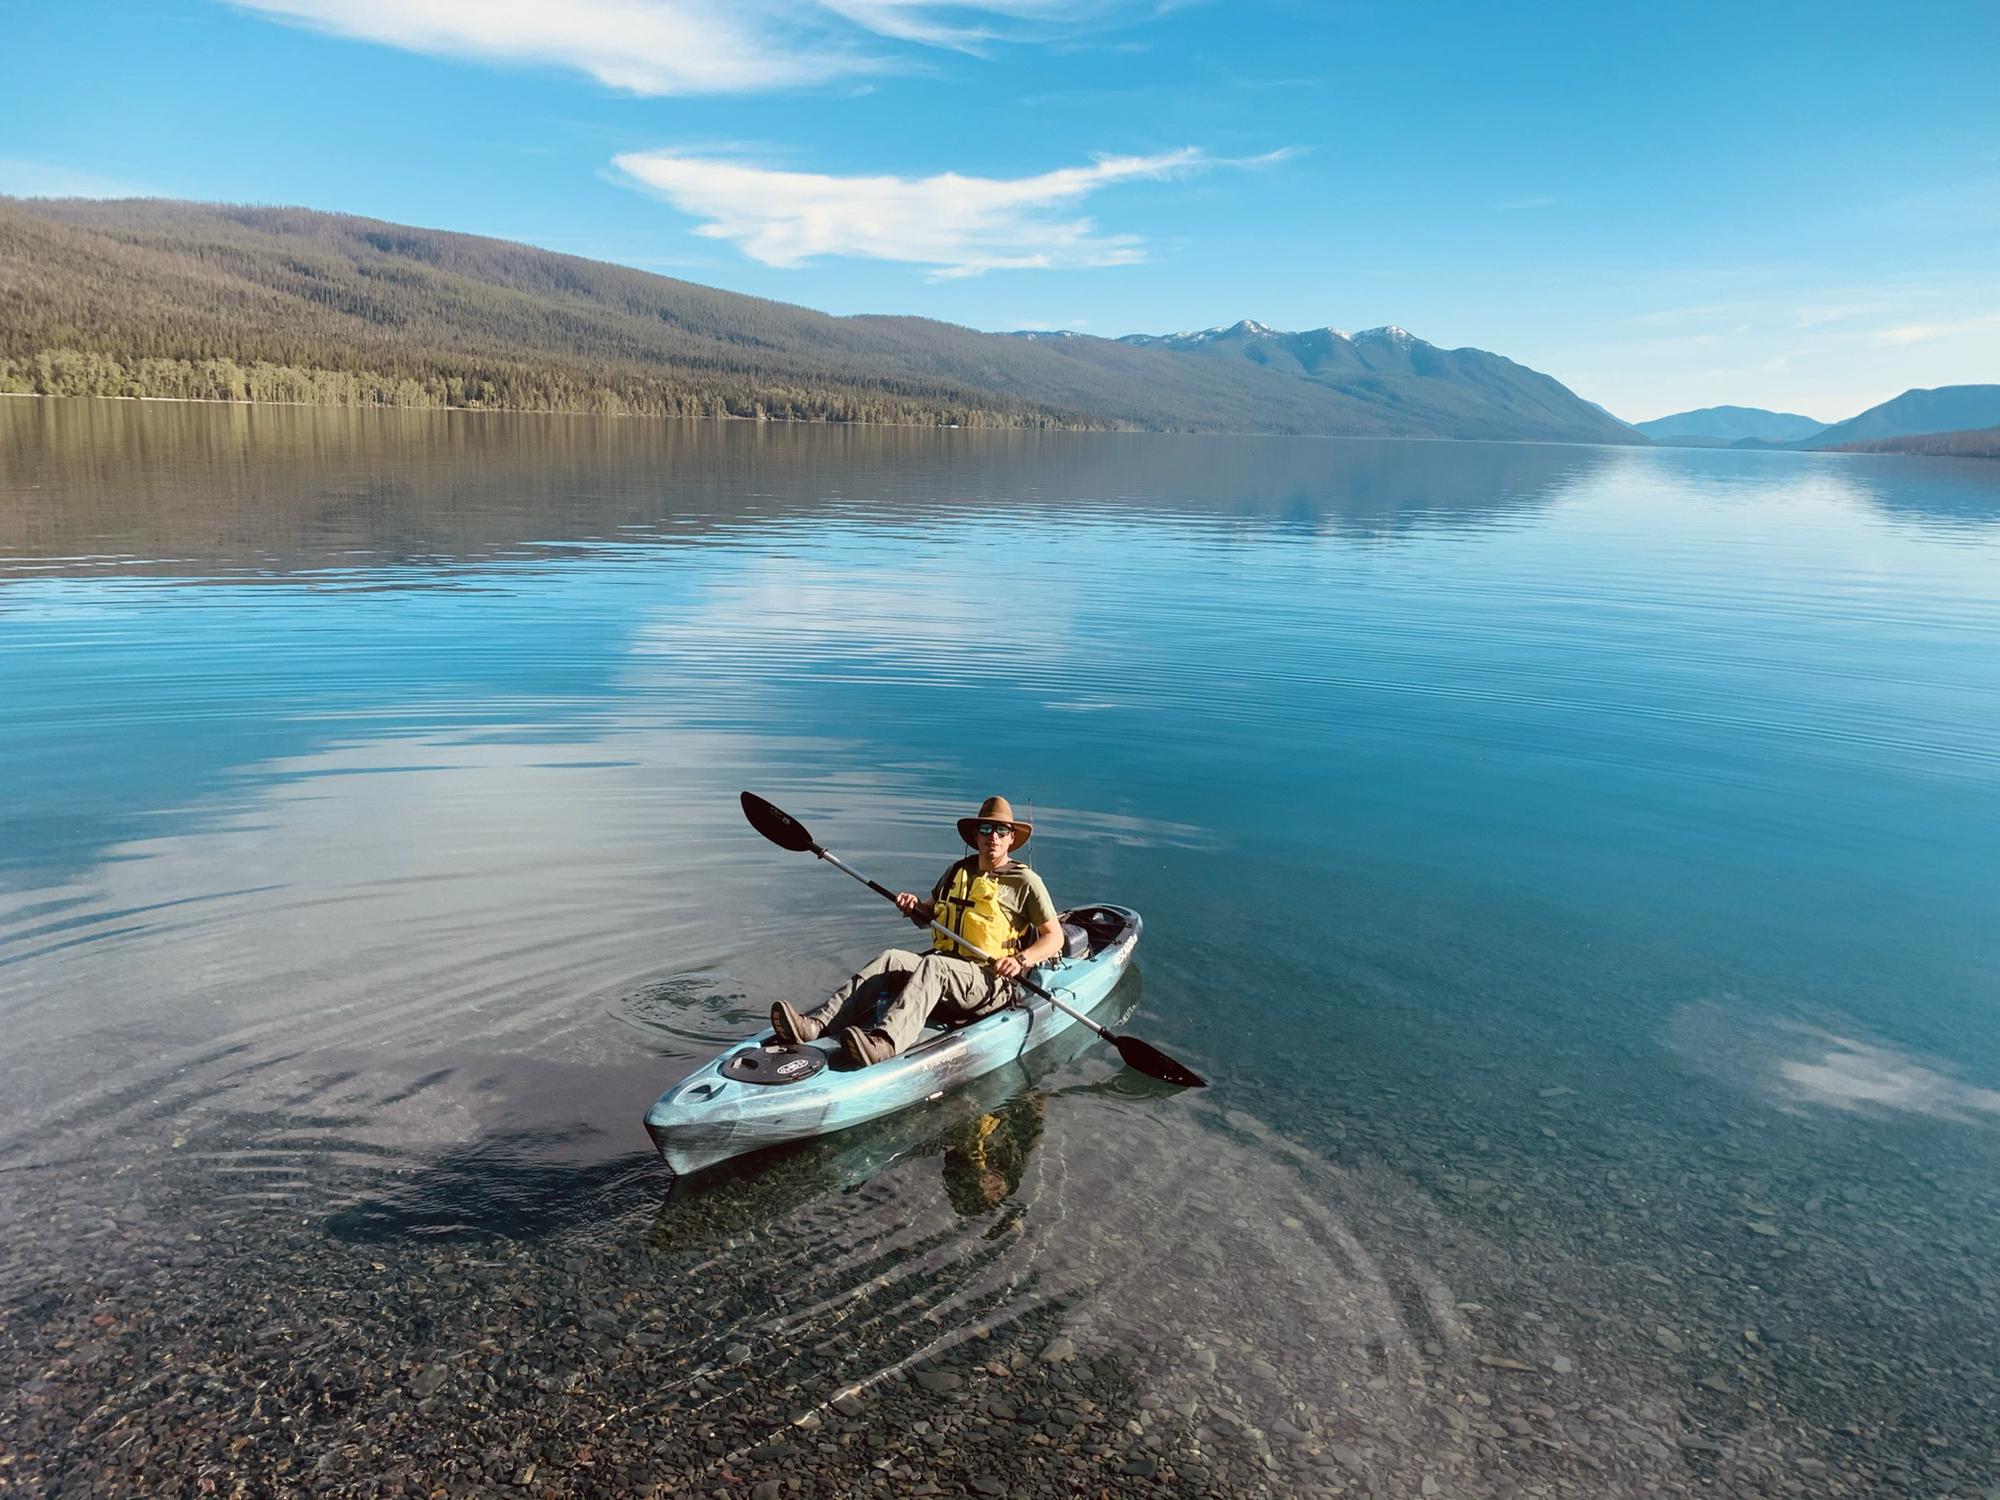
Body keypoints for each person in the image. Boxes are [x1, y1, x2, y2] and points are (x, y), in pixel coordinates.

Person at [771, 795, 1063, 1067]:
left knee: (934, 965)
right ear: (976, 835)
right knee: (891, 958)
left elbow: (1054, 936)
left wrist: (1020, 960)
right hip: (946, 965)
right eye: (986, 829)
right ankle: (816, 1025)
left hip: (989, 980)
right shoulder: (956, 872)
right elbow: (928, 916)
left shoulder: (1025, 881)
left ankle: (884, 1043)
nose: (993, 837)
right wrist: (913, 907)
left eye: (1001, 831)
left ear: (1012, 838)